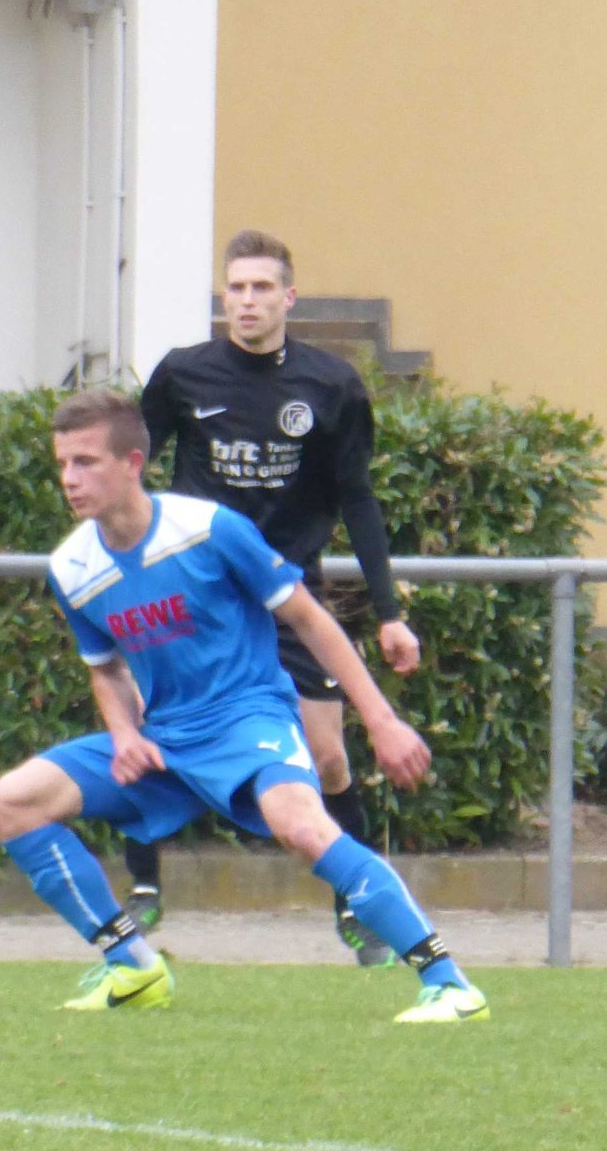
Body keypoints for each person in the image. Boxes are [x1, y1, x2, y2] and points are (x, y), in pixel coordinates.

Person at [0, 388, 486, 1024]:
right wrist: (124, 733)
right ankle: (131, 966)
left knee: (303, 827)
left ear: (133, 462)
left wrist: (382, 721)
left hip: (249, 720)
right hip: (166, 738)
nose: (68, 480)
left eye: (85, 463)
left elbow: (310, 619)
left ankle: (449, 982)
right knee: (13, 803)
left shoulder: (209, 531)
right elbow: (104, 668)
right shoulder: (72, 566)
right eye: (62, 464)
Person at [130, 229, 424, 962]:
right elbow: (129, 471)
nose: (248, 301)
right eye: (236, 288)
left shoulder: (331, 386)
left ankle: (357, 906)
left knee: (325, 756)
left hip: (288, 592)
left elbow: (357, 499)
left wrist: (389, 613)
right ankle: (142, 888)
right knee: (147, 733)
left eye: (262, 288)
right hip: (195, 595)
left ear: (288, 298)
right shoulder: (182, 376)